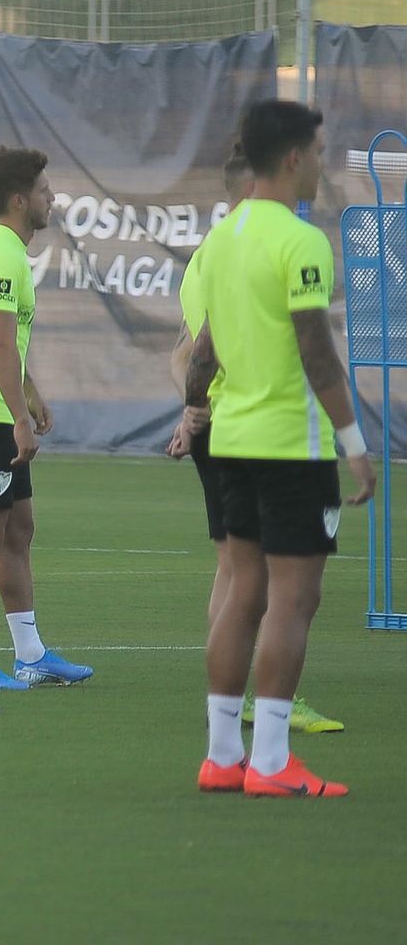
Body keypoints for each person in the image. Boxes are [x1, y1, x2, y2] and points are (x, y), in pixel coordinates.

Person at [182, 100, 374, 798]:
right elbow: (318, 354)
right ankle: (269, 763)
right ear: (293, 158)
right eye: (320, 152)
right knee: (294, 602)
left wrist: (194, 410)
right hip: (292, 448)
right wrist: (355, 443)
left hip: (231, 441)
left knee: (242, 595)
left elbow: (203, 350)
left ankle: (221, 757)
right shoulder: (300, 240)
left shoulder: (224, 237)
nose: (322, 166)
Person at [168, 151, 343, 734]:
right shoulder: (261, 249)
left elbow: (186, 351)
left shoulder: (207, 256)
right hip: (262, 427)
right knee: (273, 582)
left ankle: (230, 709)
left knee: (235, 571)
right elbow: (206, 349)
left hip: (218, 423)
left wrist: (191, 409)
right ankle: (268, 704)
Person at [0, 146, 93, 690]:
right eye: (44, 191)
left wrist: (32, 394)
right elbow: (0, 347)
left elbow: (2, 345)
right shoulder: (2, 254)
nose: (51, 199)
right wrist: (18, 419)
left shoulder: (2, 249)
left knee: (18, 530)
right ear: (18, 199)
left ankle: (30, 654)